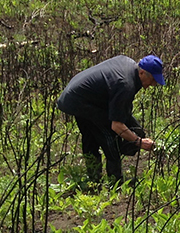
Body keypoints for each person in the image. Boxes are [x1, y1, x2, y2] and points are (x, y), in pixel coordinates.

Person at [56, 54, 166, 186]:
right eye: (153, 80)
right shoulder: (126, 84)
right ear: (142, 73)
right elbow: (116, 125)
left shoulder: (129, 65)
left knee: (128, 130)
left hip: (81, 97)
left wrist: (136, 134)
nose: (153, 84)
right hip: (78, 101)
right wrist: (139, 142)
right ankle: (115, 181)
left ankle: (94, 180)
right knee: (108, 136)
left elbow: (122, 109)